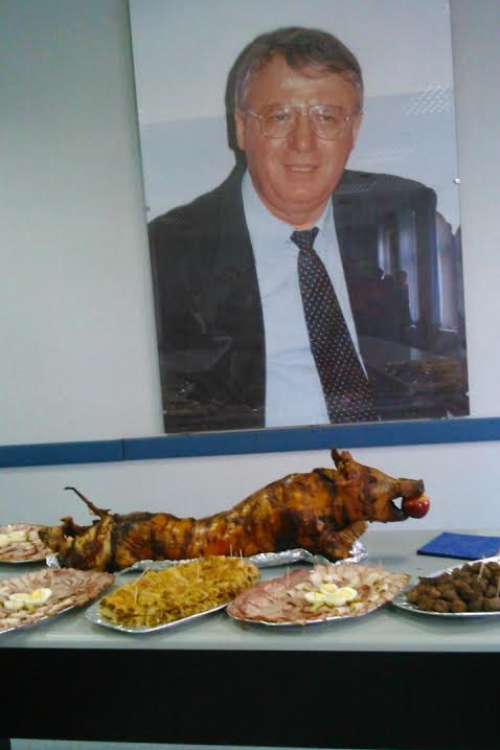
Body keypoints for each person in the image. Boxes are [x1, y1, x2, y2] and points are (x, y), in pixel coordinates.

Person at [148, 26, 441, 433]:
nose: (303, 143)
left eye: (327, 117)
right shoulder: (169, 253)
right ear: (241, 128)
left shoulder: (401, 213)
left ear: (354, 130)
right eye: (280, 116)